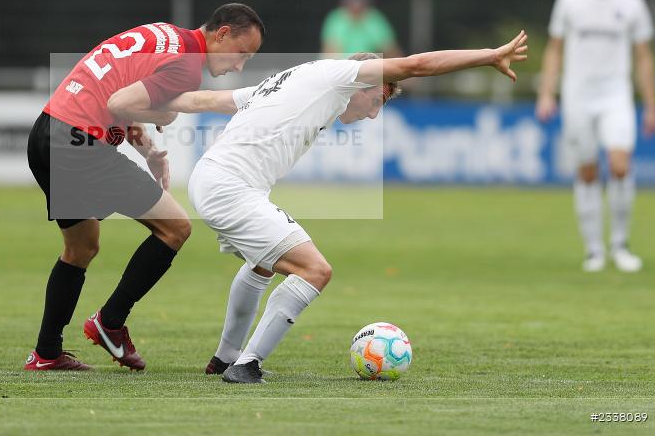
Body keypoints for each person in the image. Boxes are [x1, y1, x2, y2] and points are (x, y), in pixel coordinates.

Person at [160, 31, 528, 383]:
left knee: (261, 264)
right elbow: (419, 64)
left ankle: (225, 357)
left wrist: (134, 103)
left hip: (212, 179)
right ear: (367, 83)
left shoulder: (295, 79)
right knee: (315, 270)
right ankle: (246, 365)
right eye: (379, 102)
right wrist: (489, 56)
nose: (373, 115)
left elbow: (204, 100)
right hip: (228, 186)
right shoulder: (340, 75)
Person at [24, 4, 264, 371]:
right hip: (78, 142)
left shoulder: (167, 35)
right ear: (223, 34)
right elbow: (119, 102)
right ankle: (111, 322)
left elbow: (118, 92)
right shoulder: (186, 64)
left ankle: (46, 354)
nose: (239, 66)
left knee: (81, 246)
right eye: (242, 53)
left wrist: (149, 149)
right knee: (176, 227)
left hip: (46, 132)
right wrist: (167, 114)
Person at [536, 0, 655, 273]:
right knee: (588, 172)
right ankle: (594, 250)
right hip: (577, 96)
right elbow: (554, 49)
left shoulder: (632, 3)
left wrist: (650, 103)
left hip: (616, 95)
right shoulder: (570, 0)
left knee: (620, 165)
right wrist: (547, 92)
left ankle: (620, 244)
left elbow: (643, 57)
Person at [321, 0, 402, 58]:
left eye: (361, 6)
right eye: (352, 5)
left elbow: (389, 47)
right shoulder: (337, 18)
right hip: (343, 66)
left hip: (368, 65)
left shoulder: (374, 18)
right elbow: (330, 49)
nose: (356, 9)